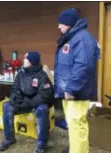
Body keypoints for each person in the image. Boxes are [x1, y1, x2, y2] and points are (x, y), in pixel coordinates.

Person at [54, 8, 100, 153]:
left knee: (77, 126)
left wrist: (71, 88)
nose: (58, 26)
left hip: (76, 93)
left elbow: (83, 66)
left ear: (69, 23)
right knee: (73, 125)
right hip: (69, 92)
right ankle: (75, 149)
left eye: (61, 23)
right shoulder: (73, 37)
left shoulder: (82, 38)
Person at [0, 51, 54, 153]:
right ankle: (9, 138)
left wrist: (29, 102)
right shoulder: (21, 73)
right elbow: (15, 89)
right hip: (23, 102)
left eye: (26, 59)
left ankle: (41, 145)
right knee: (7, 106)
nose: (24, 60)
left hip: (35, 104)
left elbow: (45, 95)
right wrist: (16, 99)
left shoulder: (42, 75)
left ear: (31, 62)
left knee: (43, 109)